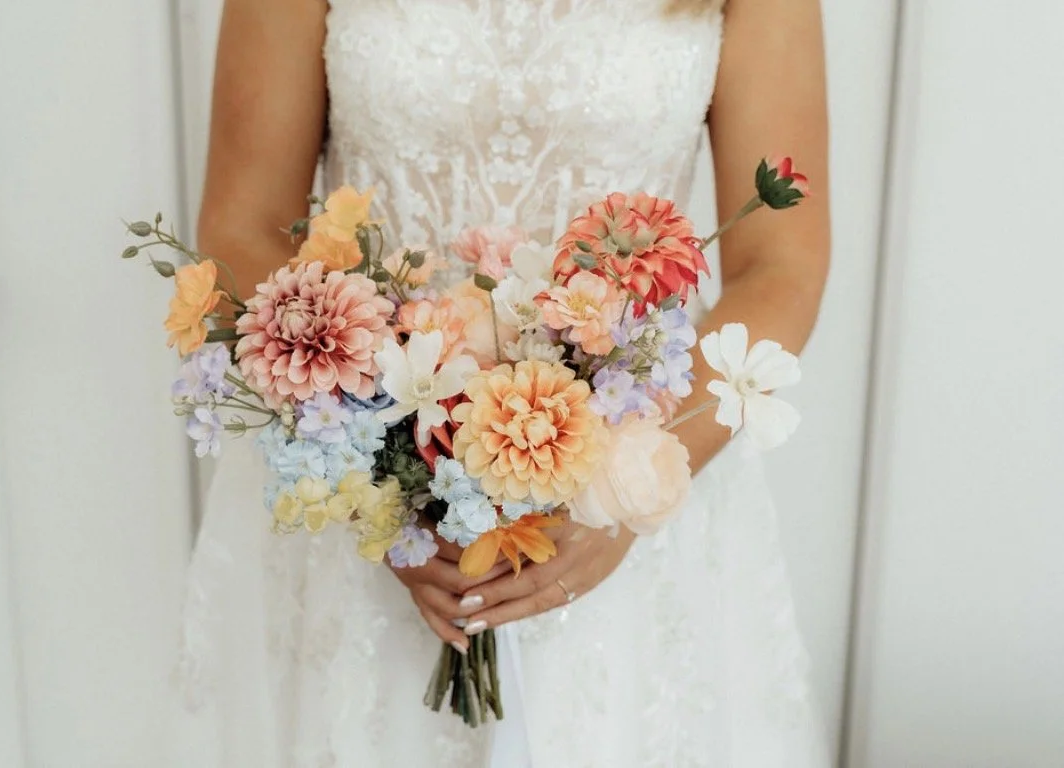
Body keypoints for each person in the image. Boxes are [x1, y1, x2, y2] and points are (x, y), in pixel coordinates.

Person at [173, 0, 832, 765]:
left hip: (636, 482)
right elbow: (246, 225)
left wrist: (620, 490)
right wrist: (382, 487)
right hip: (356, 483)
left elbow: (780, 264)